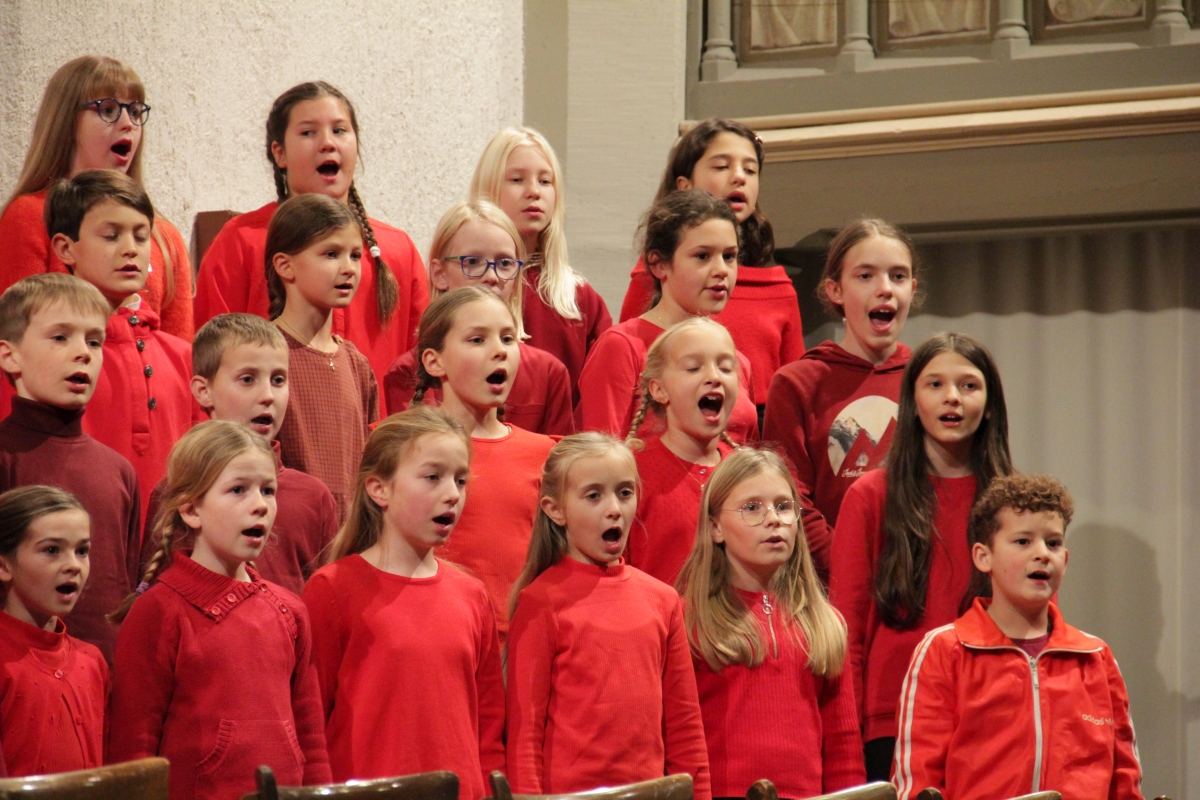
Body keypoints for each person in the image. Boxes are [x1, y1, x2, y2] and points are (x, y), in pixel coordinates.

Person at [108, 421, 330, 800]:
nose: (260, 504)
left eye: (268, 490)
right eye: (238, 490)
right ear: (191, 510)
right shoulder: (158, 611)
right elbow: (133, 748)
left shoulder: (290, 610)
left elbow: (311, 735)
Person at [829, 332, 1012, 782]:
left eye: (969, 385)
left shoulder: (1012, 503)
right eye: (935, 384)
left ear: (990, 404)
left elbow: (1036, 620)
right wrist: (846, 747)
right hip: (892, 724)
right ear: (912, 402)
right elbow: (846, 633)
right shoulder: (871, 496)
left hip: (991, 720)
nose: (952, 397)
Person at [893, 474, 1142, 800]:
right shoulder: (945, 650)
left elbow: (1125, 783)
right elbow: (918, 783)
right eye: (1023, 542)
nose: (1042, 554)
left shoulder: (1096, 657)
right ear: (983, 557)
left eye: (1053, 543)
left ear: (1065, 561)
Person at [303, 408, 504, 799]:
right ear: (379, 489)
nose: (453, 494)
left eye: (460, 480)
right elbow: (311, 723)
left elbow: (489, 727)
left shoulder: (472, 595)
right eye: (433, 477)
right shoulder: (333, 589)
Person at [505, 433, 711, 799]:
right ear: (555, 509)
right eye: (594, 496)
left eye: (625, 492)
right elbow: (525, 735)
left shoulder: (663, 601)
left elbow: (686, 729)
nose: (614, 508)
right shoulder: (540, 603)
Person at [194, 81, 428, 396]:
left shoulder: (396, 250)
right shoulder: (243, 241)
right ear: (280, 153)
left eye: (340, 130)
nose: (327, 143)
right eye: (308, 133)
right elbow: (207, 357)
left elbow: (421, 371)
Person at [677, 448, 864, 798]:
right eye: (752, 508)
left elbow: (844, 746)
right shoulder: (687, 620)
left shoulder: (824, 623)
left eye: (783, 506)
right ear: (715, 527)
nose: (773, 519)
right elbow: (679, 742)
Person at [763, 219, 919, 579]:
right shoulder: (798, 383)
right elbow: (790, 497)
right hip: (828, 589)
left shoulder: (929, 379)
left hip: (916, 582)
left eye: (898, 276)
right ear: (835, 290)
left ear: (912, 289)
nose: (885, 289)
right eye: (865, 276)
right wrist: (852, 568)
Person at [0, 56, 193, 341]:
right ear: (67, 122)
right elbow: (17, 338)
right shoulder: (30, 216)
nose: (128, 124)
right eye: (109, 109)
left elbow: (179, 352)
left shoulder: (163, 237)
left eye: (135, 112)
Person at [0, 274, 140, 662]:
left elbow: (124, 587)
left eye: (94, 341)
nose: (83, 353)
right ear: (10, 356)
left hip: (102, 676)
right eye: (61, 337)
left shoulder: (118, 471)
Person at [43, 170, 193, 523]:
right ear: (65, 248)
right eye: (111, 236)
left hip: (167, 541)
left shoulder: (182, 356)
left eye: (141, 236)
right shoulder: (47, 353)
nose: (130, 248)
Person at [620, 119, 801, 407]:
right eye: (721, 166)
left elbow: (794, 392)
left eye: (750, 170)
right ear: (684, 185)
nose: (739, 177)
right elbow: (629, 371)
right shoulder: (658, 274)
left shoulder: (777, 287)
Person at [410, 287, 555, 639]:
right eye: (477, 340)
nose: (499, 351)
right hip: (428, 630)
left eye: (508, 338)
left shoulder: (545, 454)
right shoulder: (401, 448)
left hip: (517, 641)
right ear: (434, 361)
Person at [578, 190, 758, 443]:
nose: (721, 270)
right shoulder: (623, 346)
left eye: (729, 256)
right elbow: (600, 455)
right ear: (659, 264)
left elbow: (746, 452)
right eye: (702, 256)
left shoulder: (736, 360)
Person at [383, 200, 574, 435]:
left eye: (505, 263)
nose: (492, 276)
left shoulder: (548, 372)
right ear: (439, 274)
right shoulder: (407, 371)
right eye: (473, 262)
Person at [187, 313, 337, 593]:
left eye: (278, 380)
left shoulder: (313, 497)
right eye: (248, 379)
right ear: (204, 391)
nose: (268, 395)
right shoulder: (182, 489)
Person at [468, 127, 611, 401]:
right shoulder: (465, 280)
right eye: (517, 179)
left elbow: (599, 393)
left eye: (545, 181)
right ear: (488, 187)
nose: (534, 191)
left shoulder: (578, 299)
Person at [265, 194, 379, 520]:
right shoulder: (265, 355)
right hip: (287, 524)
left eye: (355, 255)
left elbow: (371, 462)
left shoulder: (356, 364)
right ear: (285, 265)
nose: (348, 268)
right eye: (331, 254)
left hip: (349, 532)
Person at [0, 486, 107, 778]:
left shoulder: (92, 661)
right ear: (4, 565)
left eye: (82, 551)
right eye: (51, 550)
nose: (73, 565)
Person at [625, 318, 738, 586]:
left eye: (725, 367)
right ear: (659, 390)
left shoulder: (747, 473)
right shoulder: (631, 473)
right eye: (693, 368)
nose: (714, 377)